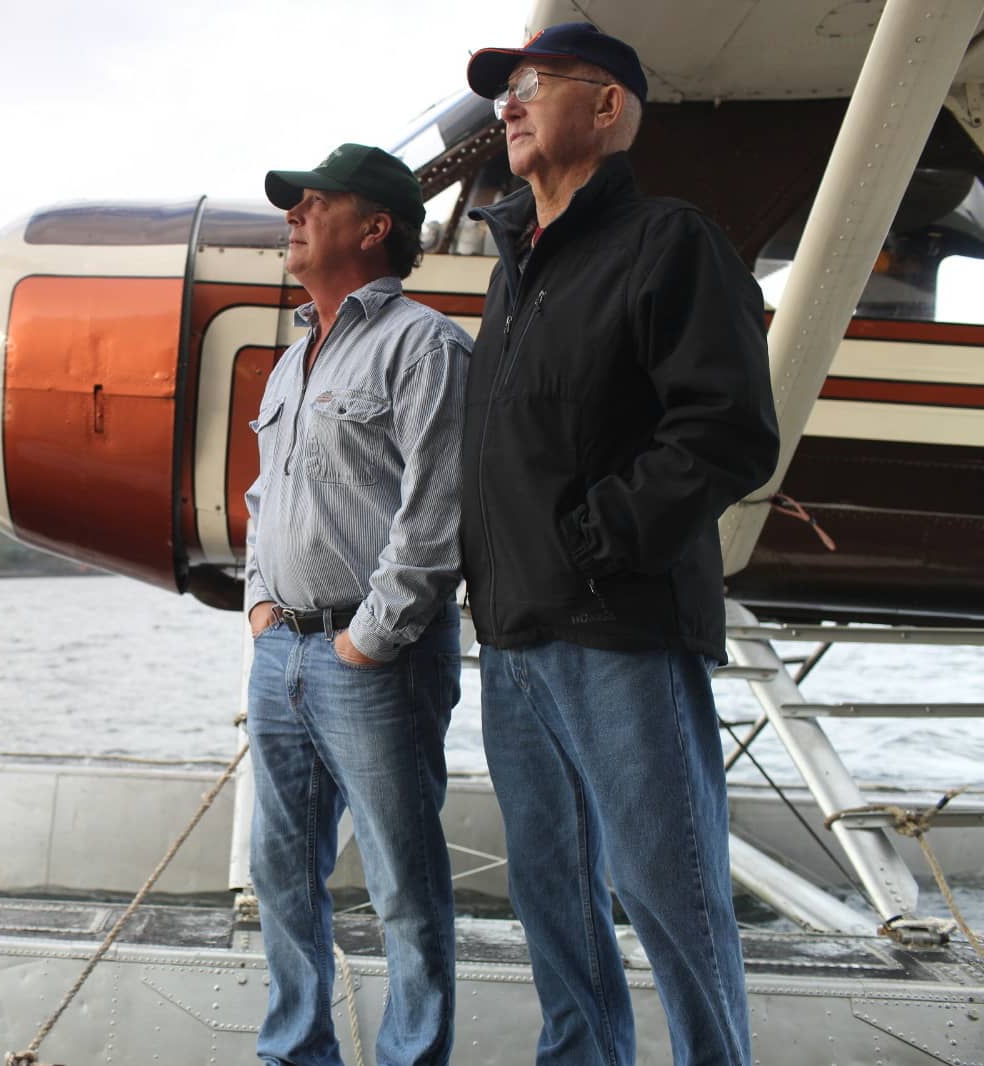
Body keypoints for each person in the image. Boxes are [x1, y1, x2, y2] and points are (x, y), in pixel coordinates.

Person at [460, 22, 780, 1066]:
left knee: (668, 894)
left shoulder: (669, 241)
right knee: (552, 896)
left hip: (617, 627)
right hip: (512, 641)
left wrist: (593, 543)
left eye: (529, 85)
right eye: (501, 91)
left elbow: (727, 431)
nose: (505, 106)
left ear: (605, 108)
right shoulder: (513, 268)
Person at [244, 142, 472, 1066]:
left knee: (403, 887)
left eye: (314, 202)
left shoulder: (425, 344)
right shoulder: (292, 364)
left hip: (370, 659)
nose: (293, 214)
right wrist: (262, 608)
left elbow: (438, 509)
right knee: (280, 874)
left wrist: (369, 641)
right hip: (281, 655)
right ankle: (298, 1052)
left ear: (374, 227)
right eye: (292, 204)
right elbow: (265, 500)